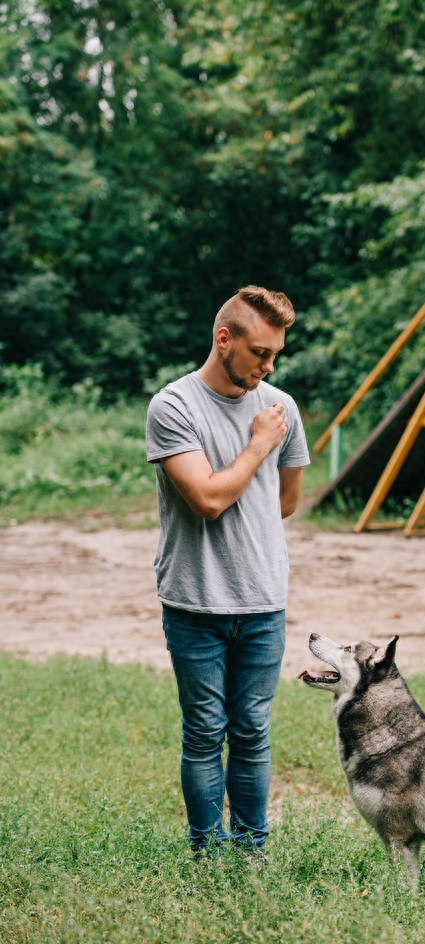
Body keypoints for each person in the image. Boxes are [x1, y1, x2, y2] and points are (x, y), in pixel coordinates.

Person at [145, 285, 310, 857]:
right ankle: (208, 854)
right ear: (224, 339)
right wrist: (258, 445)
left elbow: (284, 503)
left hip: (264, 601)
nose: (268, 366)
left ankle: (251, 852)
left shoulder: (281, 406)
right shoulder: (174, 407)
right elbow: (207, 501)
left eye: (275, 356)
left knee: (252, 733)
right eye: (260, 352)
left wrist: (264, 448)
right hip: (195, 601)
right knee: (204, 733)